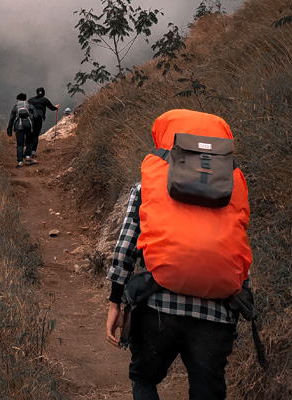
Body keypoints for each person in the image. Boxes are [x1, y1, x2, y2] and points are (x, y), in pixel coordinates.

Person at [105, 110, 252, 400]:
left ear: (170, 143)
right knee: (207, 392)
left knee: (144, 378)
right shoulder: (233, 189)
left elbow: (125, 249)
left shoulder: (147, 186)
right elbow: (239, 251)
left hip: (158, 308)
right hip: (216, 314)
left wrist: (114, 303)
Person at [6, 93, 38, 168]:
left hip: (19, 126)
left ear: (18, 99)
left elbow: (11, 119)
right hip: (29, 126)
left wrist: (9, 131)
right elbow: (36, 116)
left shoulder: (15, 107)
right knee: (29, 141)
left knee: (20, 144)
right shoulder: (30, 106)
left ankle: (20, 162)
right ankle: (27, 158)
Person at [27, 87, 58, 159]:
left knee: (29, 135)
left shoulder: (30, 100)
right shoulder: (45, 100)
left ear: (36, 92)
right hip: (38, 118)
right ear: (43, 93)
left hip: (30, 119)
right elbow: (52, 108)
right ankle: (33, 153)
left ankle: (26, 152)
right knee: (35, 135)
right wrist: (56, 107)